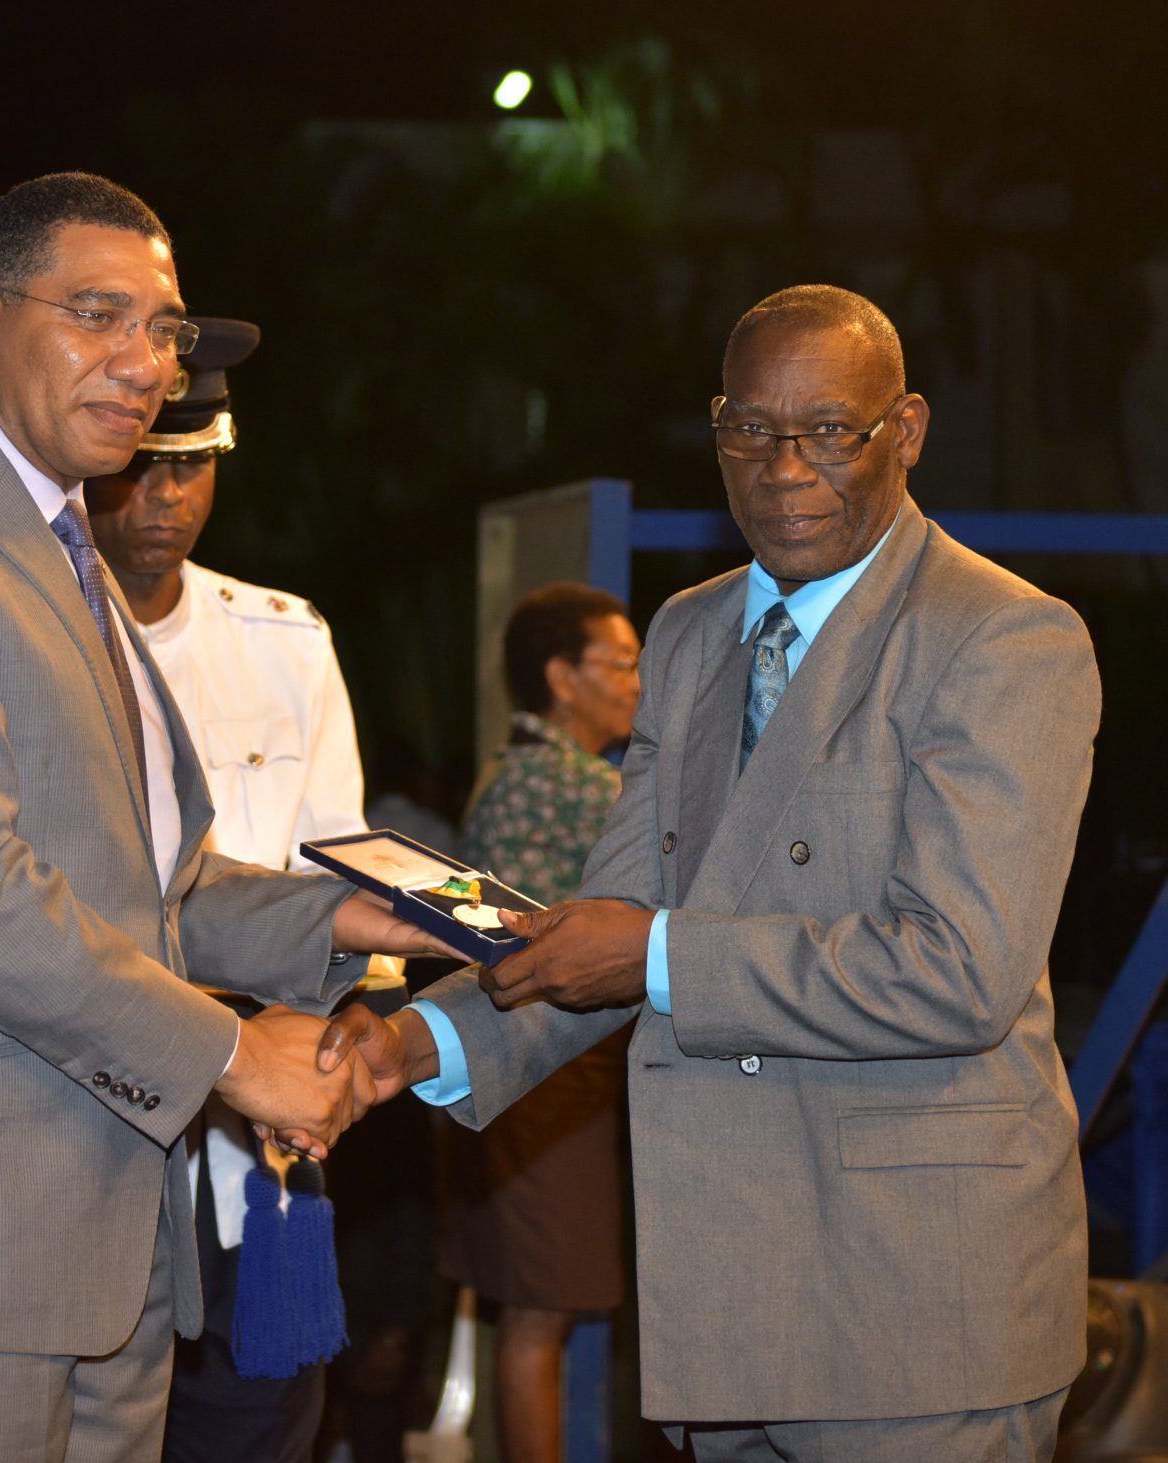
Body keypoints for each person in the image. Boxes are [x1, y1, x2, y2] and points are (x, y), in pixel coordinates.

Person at [0, 171, 441, 1463]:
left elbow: (142, 878)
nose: (145, 362)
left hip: (114, 1259)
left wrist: (347, 910)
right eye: (99, 314)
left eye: (164, 331)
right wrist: (235, 1055)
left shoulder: (69, 548)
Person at [324, 285, 1102, 1462]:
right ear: (715, 429)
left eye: (830, 430)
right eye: (751, 430)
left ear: (906, 429)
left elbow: (954, 968)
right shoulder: (689, 633)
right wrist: (410, 1046)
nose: (784, 465)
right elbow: (599, 925)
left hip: (914, 1306)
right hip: (725, 1293)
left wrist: (647, 950)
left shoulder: (1001, 636)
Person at [84, 316, 366, 1463]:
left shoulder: (280, 640)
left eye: (192, 466)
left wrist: (344, 1043)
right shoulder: (45, 632)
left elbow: (336, 870)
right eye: (145, 465)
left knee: (254, 1427)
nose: (165, 498)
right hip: (98, 1115)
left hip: (259, 1138)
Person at [442, 581, 640, 1463]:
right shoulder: (549, 780)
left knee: (539, 1311)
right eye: (623, 663)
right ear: (562, 677)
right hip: (541, 1081)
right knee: (538, 1314)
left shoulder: (547, 775)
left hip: (557, 1087)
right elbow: (507, 954)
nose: (639, 682)